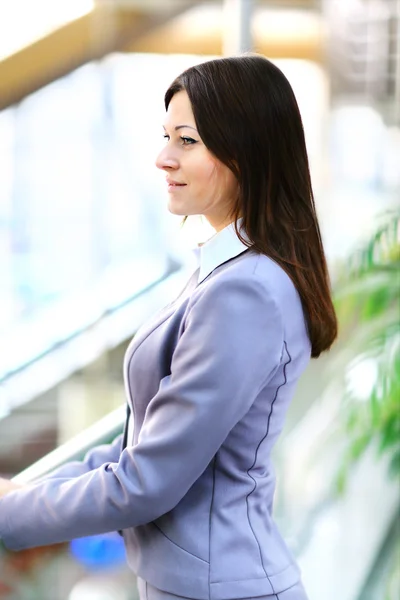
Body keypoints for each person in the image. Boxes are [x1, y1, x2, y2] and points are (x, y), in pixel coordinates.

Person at [0, 54, 337, 600]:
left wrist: (11, 515)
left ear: (244, 151)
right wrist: (25, 492)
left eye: (187, 140)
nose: (162, 158)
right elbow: (141, 440)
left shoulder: (242, 292)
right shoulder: (223, 271)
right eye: (166, 137)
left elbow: (147, 480)